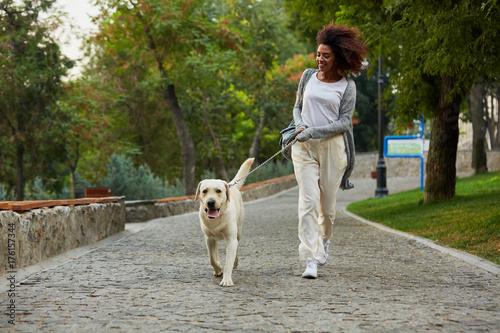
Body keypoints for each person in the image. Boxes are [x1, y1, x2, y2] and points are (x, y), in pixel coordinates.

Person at [291, 23, 368, 279]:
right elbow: (297, 108)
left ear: (339, 58)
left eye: (326, 56)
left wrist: (314, 131)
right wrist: (301, 125)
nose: (319, 59)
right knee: (308, 202)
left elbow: (344, 123)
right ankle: (310, 258)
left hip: (333, 149)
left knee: (327, 208)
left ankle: (324, 241)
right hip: (304, 147)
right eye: (318, 54)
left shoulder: (347, 87)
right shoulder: (307, 76)